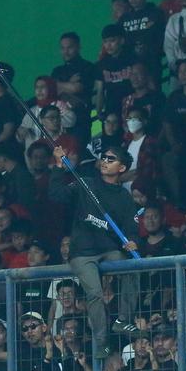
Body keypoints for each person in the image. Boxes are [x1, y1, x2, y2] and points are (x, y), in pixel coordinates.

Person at [49, 143, 141, 358]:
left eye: (111, 159)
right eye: (104, 158)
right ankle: (101, 341)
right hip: (82, 252)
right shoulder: (86, 184)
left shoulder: (125, 197)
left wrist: (133, 243)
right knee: (95, 293)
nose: (105, 161)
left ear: (122, 168)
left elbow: (132, 230)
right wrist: (58, 166)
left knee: (132, 268)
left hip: (110, 251)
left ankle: (123, 321)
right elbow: (56, 195)